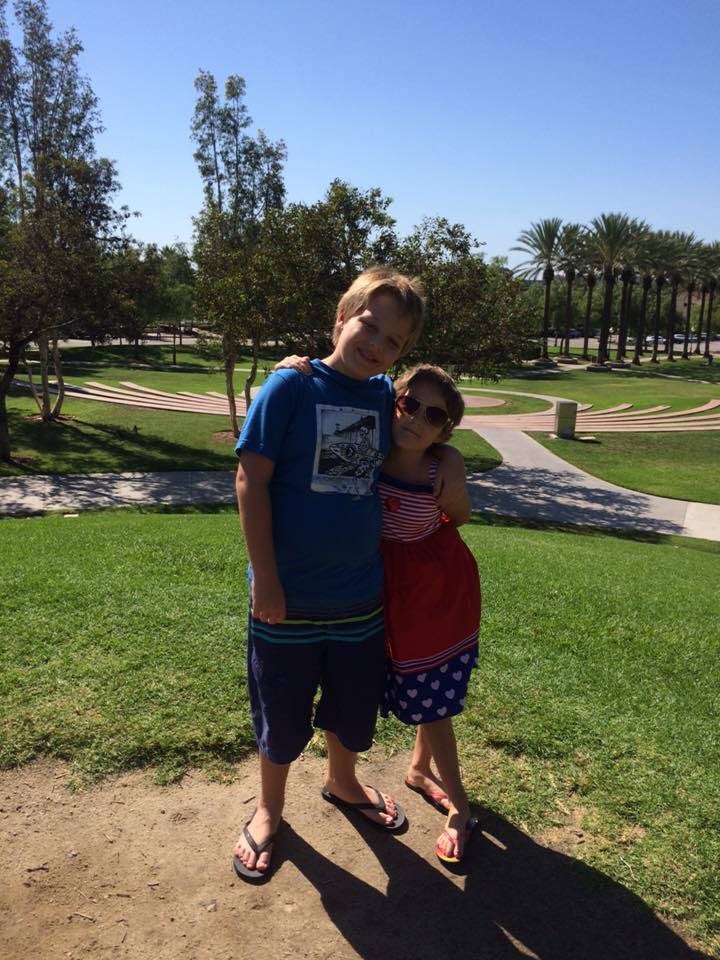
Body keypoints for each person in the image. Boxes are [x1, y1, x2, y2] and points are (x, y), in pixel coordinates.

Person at [232, 268, 465, 882]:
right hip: (288, 599)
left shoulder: (385, 396)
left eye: (394, 341)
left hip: (362, 599)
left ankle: (343, 782)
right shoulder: (290, 387)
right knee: (282, 713)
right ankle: (268, 809)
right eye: (369, 325)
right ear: (341, 317)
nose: (377, 344)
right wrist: (267, 579)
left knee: (352, 709)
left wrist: (452, 454)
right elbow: (250, 481)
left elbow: (426, 426)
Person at [379, 364, 481, 864]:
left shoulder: (441, 467)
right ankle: (419, 772)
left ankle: (459, 806)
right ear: (393, 402)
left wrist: (454, 468)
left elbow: (459, 518)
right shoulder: (367, 451)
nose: (418, 419)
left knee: (433, 697)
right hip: (387, 590)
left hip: (437, 592)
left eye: (434, 415)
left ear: (445, 430)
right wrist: (295, 365)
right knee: (424, 686)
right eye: (410, 404)